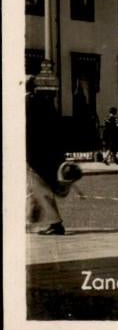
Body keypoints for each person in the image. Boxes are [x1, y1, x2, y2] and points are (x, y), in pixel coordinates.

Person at [26, 77, 68, 235]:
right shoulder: (44, 102)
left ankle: (55, 223)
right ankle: (28, 220)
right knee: (33, 187)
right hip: (46, 152)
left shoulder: (23, 104)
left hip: (32, 153)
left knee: (38, 187)